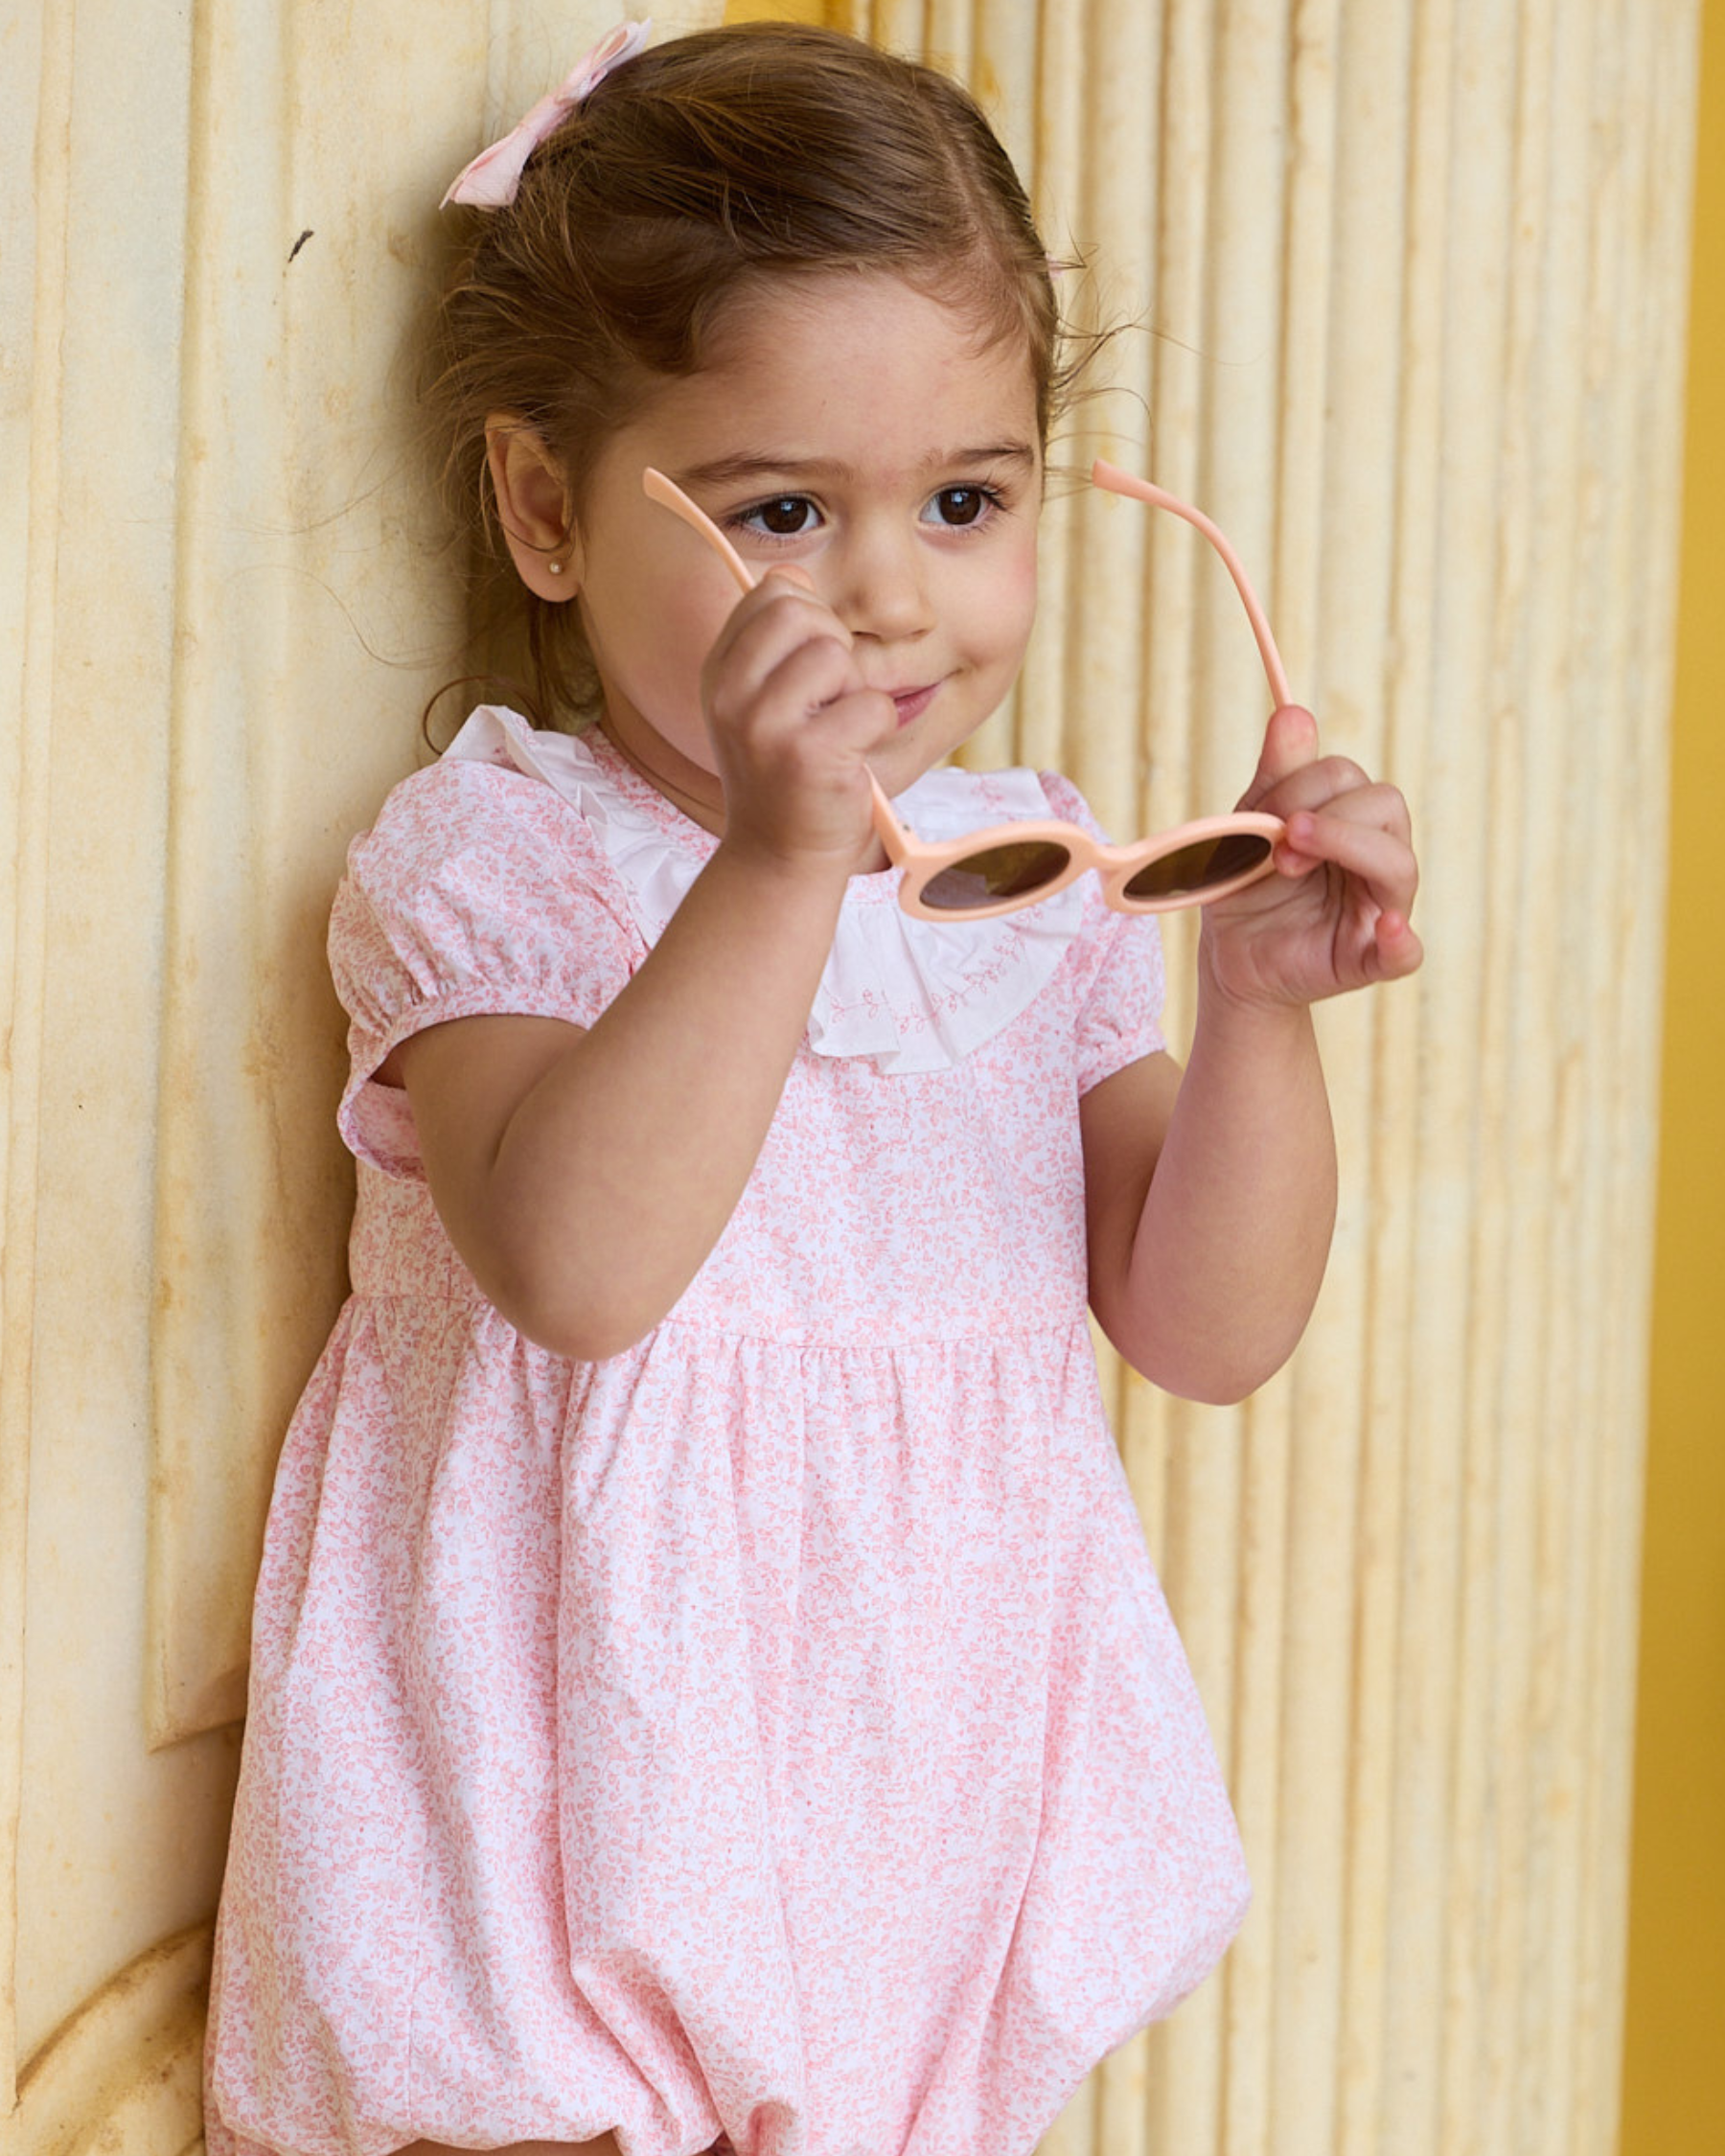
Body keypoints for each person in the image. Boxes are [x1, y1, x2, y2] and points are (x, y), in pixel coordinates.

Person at [202, 20, 1421, 2156]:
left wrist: (1257, 1009)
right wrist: (782, 858)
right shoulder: (506, 860)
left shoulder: (1035, 879)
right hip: (568, 1863)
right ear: (546, 510)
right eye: (784, 511)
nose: (887, 593)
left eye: (966, 500)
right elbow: (579, 1265)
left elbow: (1206, 1327)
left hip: (910, 1850)